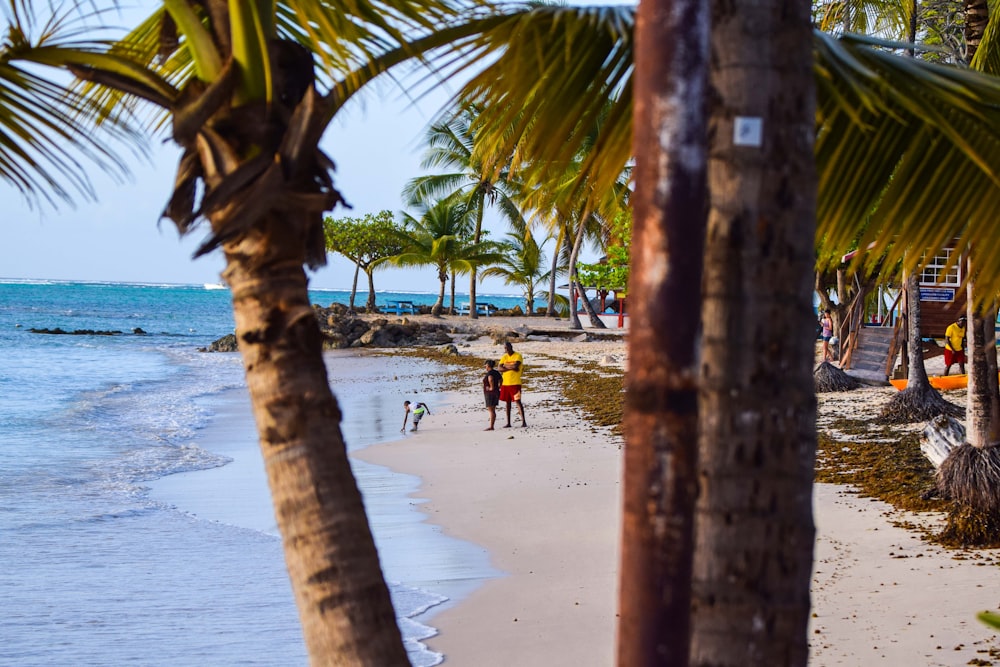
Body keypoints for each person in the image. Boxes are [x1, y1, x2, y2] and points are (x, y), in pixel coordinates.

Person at [498, 341, 528, 428]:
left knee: (518, 402)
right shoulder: (504, 356)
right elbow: (499, 368)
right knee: (507, 403)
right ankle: (508, 423)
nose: (506, 349)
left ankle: (524, 422)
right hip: (505, 383)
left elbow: (516, 367)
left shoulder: (518, 355)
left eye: (507, 347)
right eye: (505, 348)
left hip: (515, 383)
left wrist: (505, 367)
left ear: (511, 347)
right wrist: (510, 367)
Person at [482, 359, 503, 430]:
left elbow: (490, 379)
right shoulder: (496, 372)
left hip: (490, 393)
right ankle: (492, 425)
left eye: (485, 366)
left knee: (491, 410)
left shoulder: (489, 373)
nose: (485, 367)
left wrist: (491, 387)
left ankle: (491, 426)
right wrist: (500, 386)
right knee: (493, 409)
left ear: (488, 365)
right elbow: (501, 379)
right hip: (496, 392)